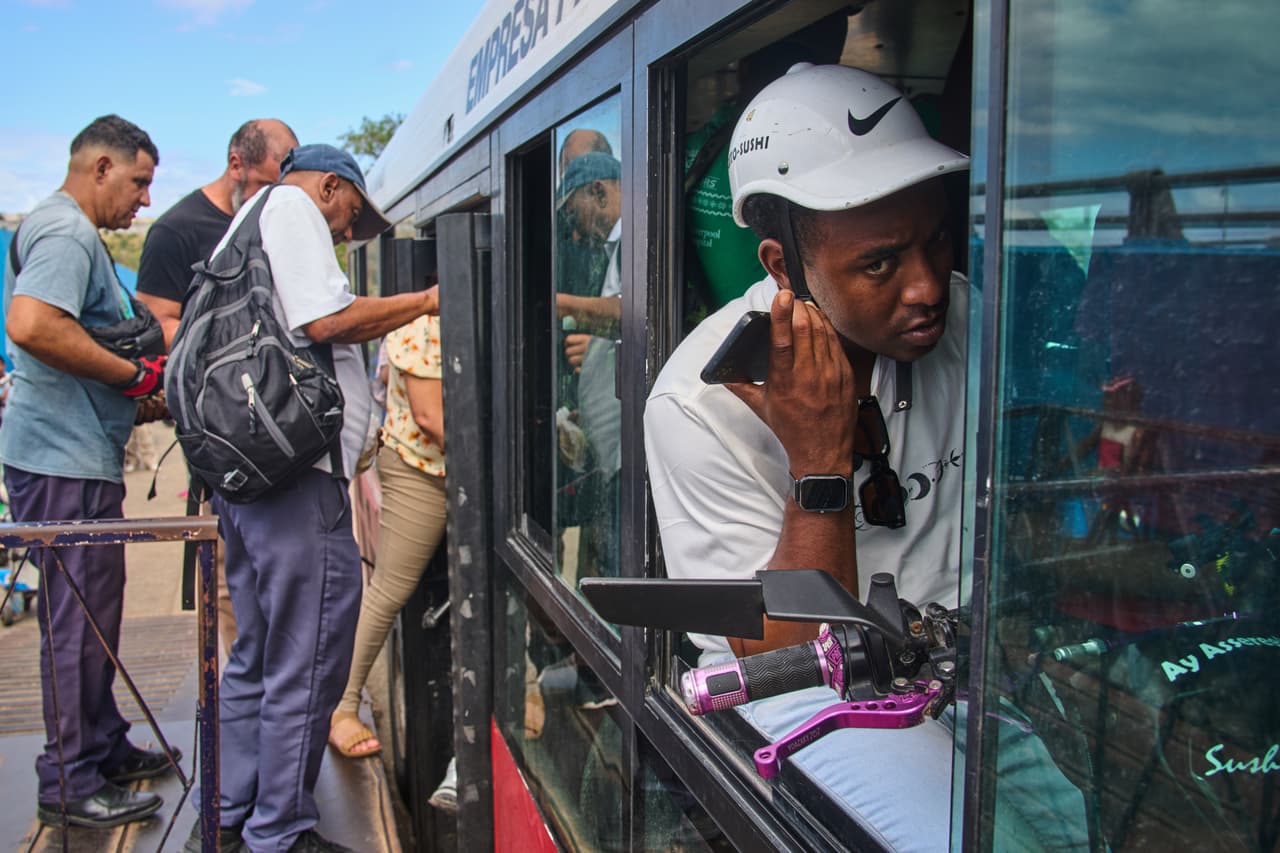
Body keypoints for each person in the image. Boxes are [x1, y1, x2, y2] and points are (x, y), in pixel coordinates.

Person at [645, 64, 1089, 850]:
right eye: (881, 263)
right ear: (783, 267)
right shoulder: (697, 406)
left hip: (955, 675)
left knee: (1073, 832)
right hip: (807, 693)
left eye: (937, 240)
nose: (927, 287)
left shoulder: (966, 320)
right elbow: (790, 652)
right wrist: (819, 463)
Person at [184, 144, 438, 853]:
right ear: (329, 186)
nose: (345, 233)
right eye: (349, 216)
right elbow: (326, 322)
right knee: (309, 659)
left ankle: (228, 813)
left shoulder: (243, 225)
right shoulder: (292, 206)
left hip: (251, 485)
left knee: (258, 653)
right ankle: (280, 831)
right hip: (297, 484)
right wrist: (426, 301)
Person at [1, 114, 177, 829]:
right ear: (101, 167)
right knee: (76, 622)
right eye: (138, 182)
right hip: (60, 461)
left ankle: (101, 746)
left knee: (96, 612)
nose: (143, 200)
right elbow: (31, 325)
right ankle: (69, 780)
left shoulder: (74, 234)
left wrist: (132, 391)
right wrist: (130, 377)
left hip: (76, 457)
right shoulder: (66, 231)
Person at [136, 118, 298, 658]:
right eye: (270, 181)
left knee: (278, 558)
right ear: (236, 164)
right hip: (220, 428)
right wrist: (233, 354)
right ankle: (240, 676)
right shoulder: (177, 230)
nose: (275, 196)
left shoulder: (274, 221)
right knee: (231, 569)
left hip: (277, 423)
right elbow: (155, 325)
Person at [328, 313, 446, 759]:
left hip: (450, 466)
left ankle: (527, 686)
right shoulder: (423, 323)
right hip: (421, 469)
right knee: (389, 589)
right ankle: (342, 708)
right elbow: (430, 417)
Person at [556, 151, 624, 577]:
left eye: (573, 213)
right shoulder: (614, 247)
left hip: (627, 456)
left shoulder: (636, 236)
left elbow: (636, 311)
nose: (577, 230)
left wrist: (560, 304)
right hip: (610, 454)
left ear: (598, 191)